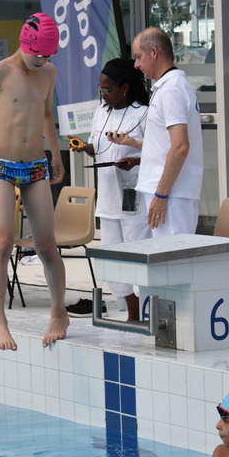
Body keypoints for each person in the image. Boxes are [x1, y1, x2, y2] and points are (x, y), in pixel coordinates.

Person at [0, 13, 68, 351]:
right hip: (0, 167)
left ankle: (59, 312)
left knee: (46, 245)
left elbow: (47, 114)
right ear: (24, 44)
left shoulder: (49, 72)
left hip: (36, 166)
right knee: (2, 241)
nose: (43, 61)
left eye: (48, 55)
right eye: (38, 54)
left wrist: (56, 154)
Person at [68, 58, 150, 321]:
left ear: (124, 88)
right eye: (100, 89)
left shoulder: (144, 113)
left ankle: (145, 313)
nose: (103, 94)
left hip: (134, 195)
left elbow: (159, 153)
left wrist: (134, 161)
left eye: (107, 89)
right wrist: (84, 147)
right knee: (113, 259)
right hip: (108, 197)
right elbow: (98, 147)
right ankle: (132, 314)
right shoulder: (101, 112)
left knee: (137, 255)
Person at [126, 27, 203, 236]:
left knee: (173, 254)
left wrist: (161, 194)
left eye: (138, 56)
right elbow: (166, 144)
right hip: (168, 191)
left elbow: (180, 146)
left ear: (153, 52)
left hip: (171, 193)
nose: (136, 64)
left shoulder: (171, 89)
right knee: (165, 254)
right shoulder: (168, 87)